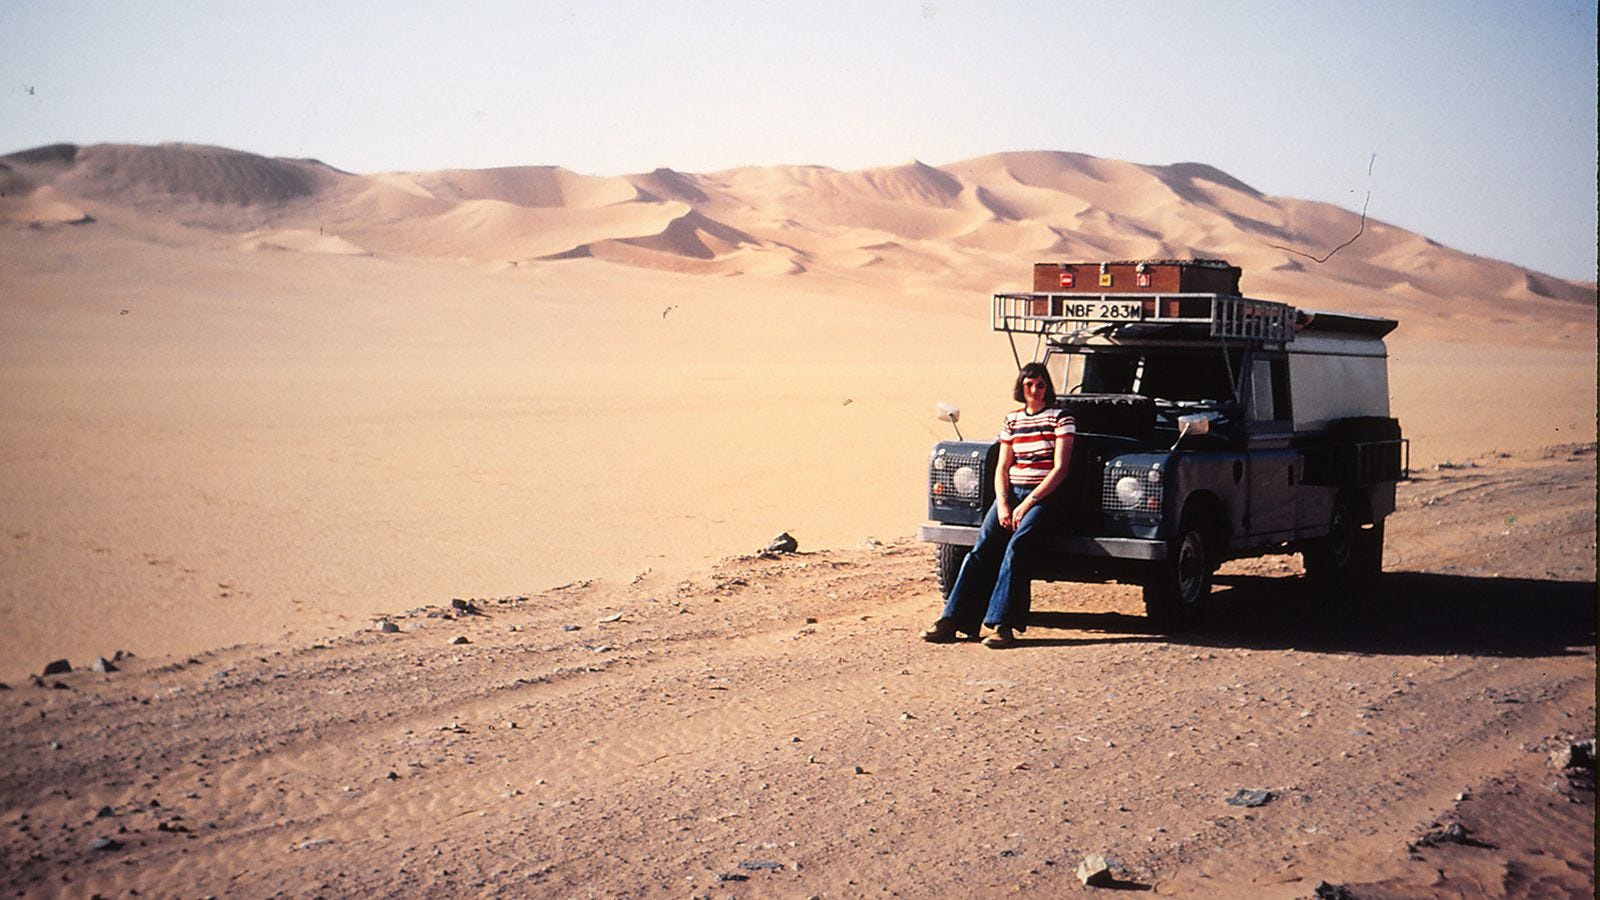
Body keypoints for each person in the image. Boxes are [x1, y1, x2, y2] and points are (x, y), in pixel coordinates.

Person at [922, 362, 1074, 649]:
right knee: (982, 548)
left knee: (1017, 548)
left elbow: (1060, 469)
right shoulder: (1012, 420)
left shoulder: (1060, 418)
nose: (1035, 390)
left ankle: (1003, 626)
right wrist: (1003, 503)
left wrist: (1027, 504)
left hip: (1044, 497)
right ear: (1021, 388)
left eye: (1040, 385)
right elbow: (1003, 466)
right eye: (1029, 385)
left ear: (1047, 387)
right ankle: (952, 620)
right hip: (1011, 493)